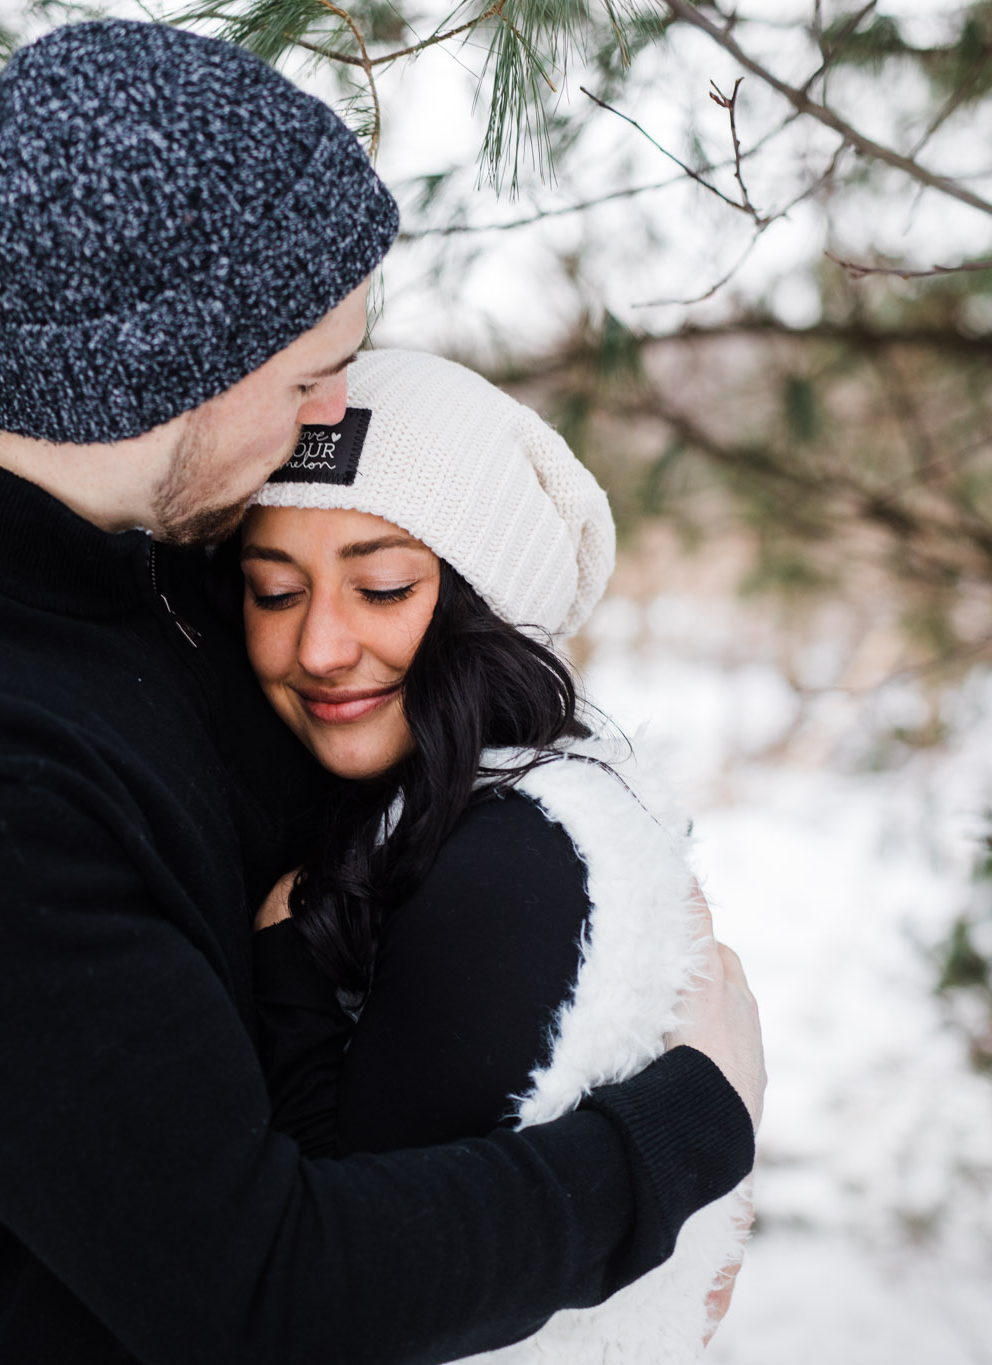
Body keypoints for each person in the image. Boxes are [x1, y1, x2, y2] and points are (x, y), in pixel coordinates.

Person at [0, 18, 765, 1364]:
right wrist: (678, 1144)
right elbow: (260, 1291)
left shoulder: (172, 580)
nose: (327, 416)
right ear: (168, 370)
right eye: (309, 376)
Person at [238, 349, 756, 1361]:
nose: (319, 646)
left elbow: (360, 1292)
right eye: (272, 592)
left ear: (486, 605)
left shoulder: (507, 862)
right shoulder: (439, 818)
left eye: (381, 587)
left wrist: (283, 967)